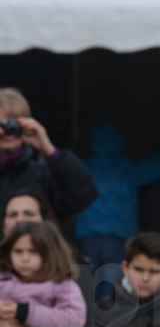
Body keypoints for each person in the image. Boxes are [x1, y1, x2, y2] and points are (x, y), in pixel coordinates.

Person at [75, 125, 160, 306]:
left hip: (88, 240)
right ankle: (108, 326)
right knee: (112, 291)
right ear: (120, 144)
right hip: (118, 239)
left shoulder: (84, 169)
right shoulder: (126, 170)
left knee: (85, 289)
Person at [0, 88, 98, 230]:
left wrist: (49, 150)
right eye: (3, 125)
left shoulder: (42, 171)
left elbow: (83, 196)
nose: (8, 132)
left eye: (13, 125)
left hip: (37, 249)